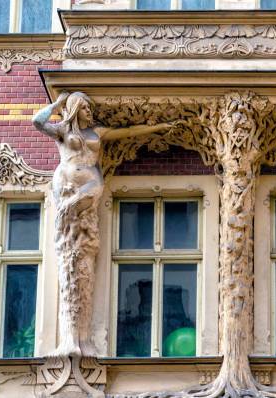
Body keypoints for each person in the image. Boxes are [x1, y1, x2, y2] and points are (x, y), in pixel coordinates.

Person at [33, 91, 173, 357]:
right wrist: (59, 103)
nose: (89, 112)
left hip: (91, 180)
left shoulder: (97, 131)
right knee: (70, 234)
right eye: (84, 108)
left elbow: (130, 132)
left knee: (83, 219)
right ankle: (71, 336)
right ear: (75, 109)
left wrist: (159, 126)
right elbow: (37, 122)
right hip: (67, 181)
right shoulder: (63, 130)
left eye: (89, 107)